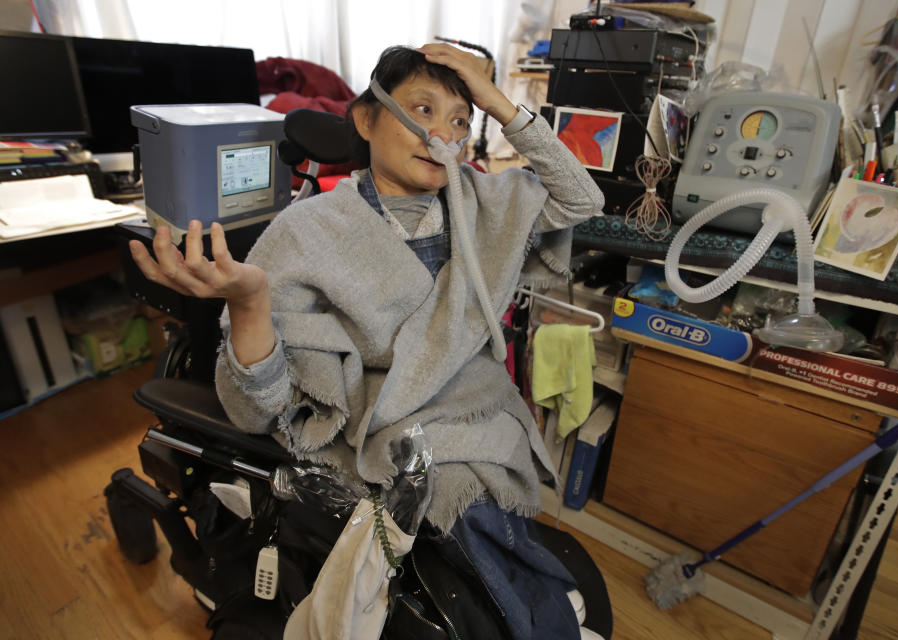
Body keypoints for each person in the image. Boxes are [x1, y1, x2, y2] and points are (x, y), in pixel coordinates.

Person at [130, 43, 604, 640]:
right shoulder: (307, 231)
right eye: (422, 110)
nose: (441, 134)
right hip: (377, 432)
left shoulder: (487, 204)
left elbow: (583, 199)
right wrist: (249, 304)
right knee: (458, 501)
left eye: (460, 120)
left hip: (474, 408)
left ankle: (527, 603)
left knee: (477, 501)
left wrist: (500, 105)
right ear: (366, 118)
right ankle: (539, 612)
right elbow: (258, 409)